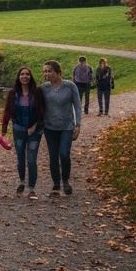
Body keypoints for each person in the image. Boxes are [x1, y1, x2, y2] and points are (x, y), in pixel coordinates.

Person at [0, 66, 45, 199]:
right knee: (20, 158)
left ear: (30, 77)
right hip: (18, 129)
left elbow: (42, 112)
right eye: (22, 74)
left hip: (34, 131)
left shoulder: (37, 93)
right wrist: (4, 129)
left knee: (31, 160)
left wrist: (35, 126)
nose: (24, 76)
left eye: (27, 74)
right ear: (18, 77)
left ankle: (31, 188)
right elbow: (7, 111)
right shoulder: (13, 94)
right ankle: (22, 182)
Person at [41, 60, 83, 195]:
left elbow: (77, 106)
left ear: (58, 73)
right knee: (53, 156)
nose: (46, 74)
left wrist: (78, 125)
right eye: (45, 71)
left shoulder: (70, 86)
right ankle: (56, 183)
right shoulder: (43, 88)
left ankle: (65, 180)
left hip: (66, 126)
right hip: (50, 127)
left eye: (49, 71)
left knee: (64, 154)